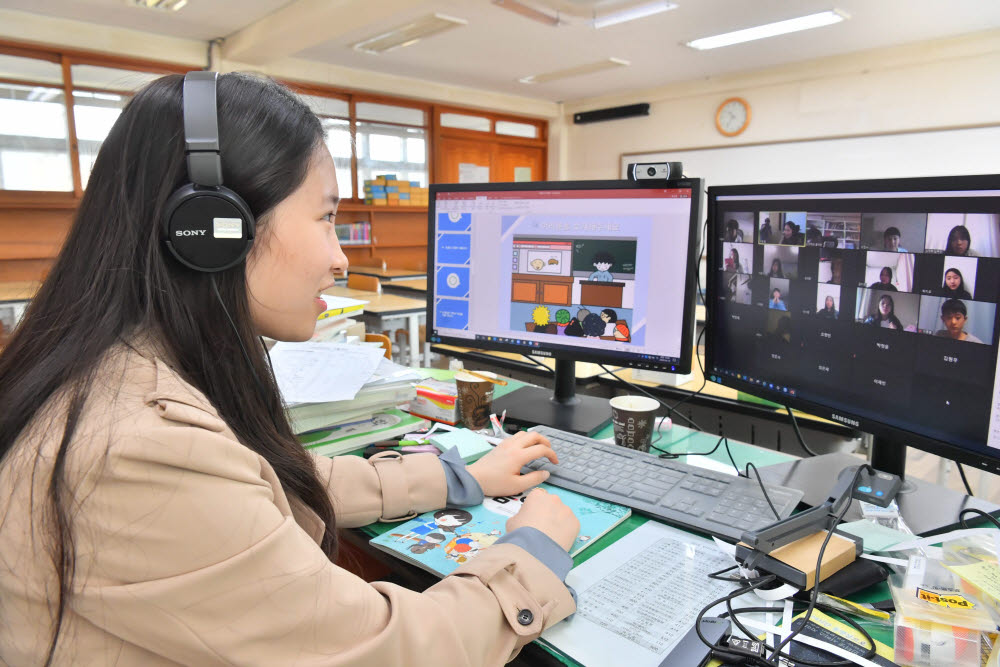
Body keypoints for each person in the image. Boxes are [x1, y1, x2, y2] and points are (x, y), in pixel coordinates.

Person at [0, 73, 579, 665]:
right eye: (326, 218)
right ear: (211, 230)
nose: (340, 257)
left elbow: (262, 482)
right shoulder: (135, 453)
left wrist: (462, 479)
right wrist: (529, 554)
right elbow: (391, 653)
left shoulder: (126, 365)